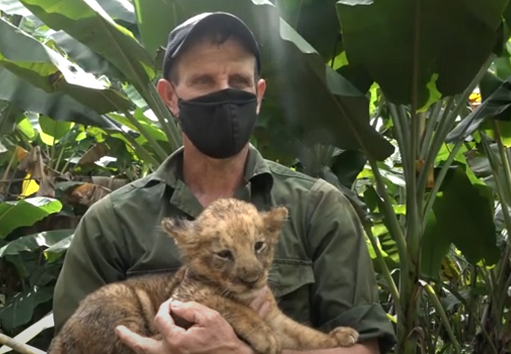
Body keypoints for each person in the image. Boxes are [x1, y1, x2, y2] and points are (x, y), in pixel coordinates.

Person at [51, 11, 396, 354]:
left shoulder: (318, 206)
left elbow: (364, 350)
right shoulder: (111, 221)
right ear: (170, 97)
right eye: (203, 81)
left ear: (258, 94)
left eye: (239, 81)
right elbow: (74, 343)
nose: (225, 95)